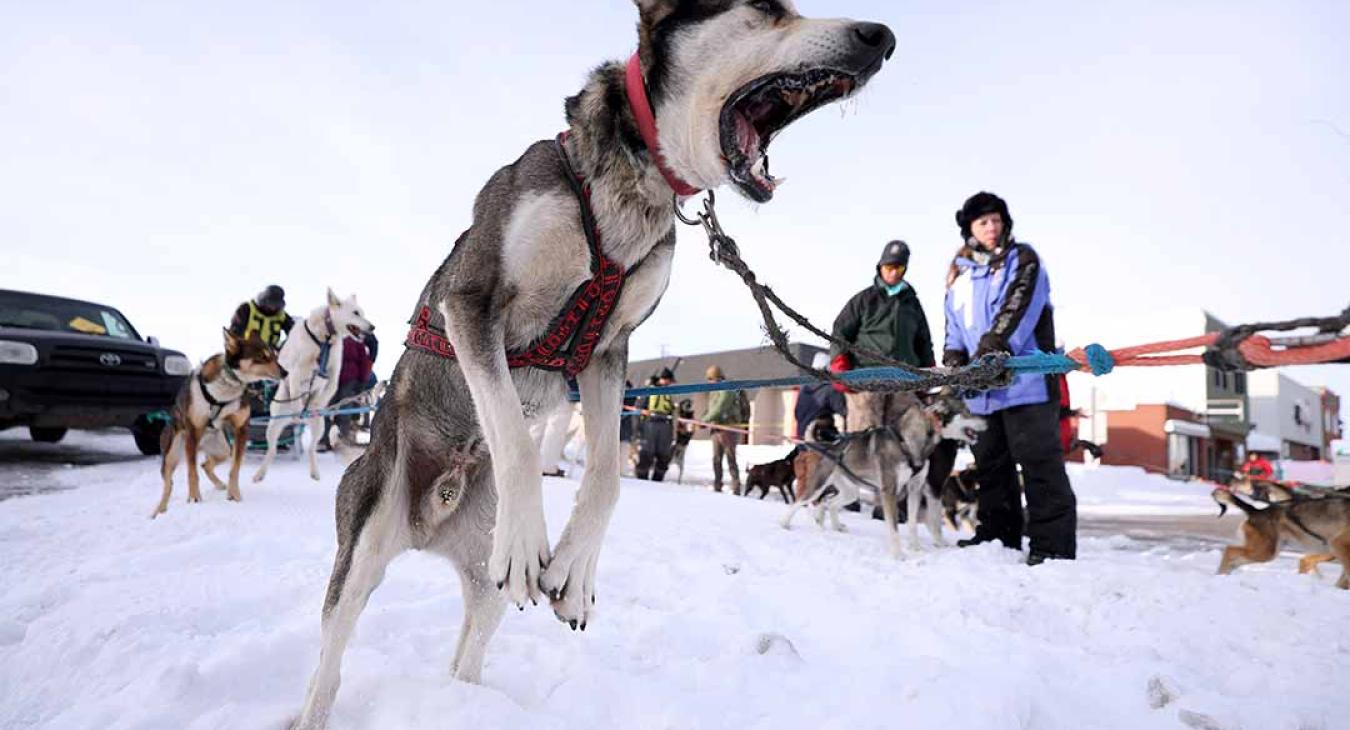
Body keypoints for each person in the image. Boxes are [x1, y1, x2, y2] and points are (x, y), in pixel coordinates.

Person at [943, 191, 1077, 565]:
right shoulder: (960, 276)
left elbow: (1019, 307)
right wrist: (954, 359)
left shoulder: (1023, 260)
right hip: (981, 391)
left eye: (997, 220)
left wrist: (993, 347)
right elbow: (954, 326)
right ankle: (998, 537)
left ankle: (1053, 547)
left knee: (1039, 464)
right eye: (983, 221)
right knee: (990, 466)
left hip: (1025, 385)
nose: (992, 227)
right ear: (969, 227)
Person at [828, 240, 936, 432]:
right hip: (867, 380)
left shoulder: (912, 304)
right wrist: (840, 364)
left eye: (899, 268)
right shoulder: (864, 300)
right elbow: (840, 331)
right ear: (880, 267)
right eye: (889, 267)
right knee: (865, 439)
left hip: (904, 381)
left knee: (903, 439)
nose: (894, 272)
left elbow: (923, 342)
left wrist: (927, 374)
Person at [319, 332, 377, 451]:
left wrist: (362, 381)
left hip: (350, 380)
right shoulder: (332, 340)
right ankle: (324, 439)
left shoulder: (356, 342)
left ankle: (343, 439)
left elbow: (363, 361)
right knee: (328, 409)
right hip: (332, 379)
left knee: (345, 411)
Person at [701, 365, 746, 494]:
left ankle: (736, 487)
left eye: (710, 379)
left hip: (728, 428)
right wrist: (703, 419)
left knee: (730, 458)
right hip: (716, 428)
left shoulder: (726, 389)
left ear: (715, 378)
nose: (709, 383)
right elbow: (711, 408)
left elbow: (720, 407)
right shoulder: (714, 390)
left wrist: (705, 420)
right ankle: (717, 485)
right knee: (716, 458)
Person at [635, 368, 676, 481]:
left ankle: (658, 479)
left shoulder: (669, 393)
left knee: (663, 455)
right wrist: (639, 426)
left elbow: (672, 410)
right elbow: (639, 408)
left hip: (665, 425)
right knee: (647, 453)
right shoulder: (650, 390)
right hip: (650, 424)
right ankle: (642, 479)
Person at [228, 285, 295, 349]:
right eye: (270, 303)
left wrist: (283, 346)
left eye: (275, 305)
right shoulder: (246, 309)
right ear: (263, 300)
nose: (272, 308)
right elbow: (235, 331)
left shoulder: (281, 316)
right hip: (247, 351)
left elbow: (294, 332)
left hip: (271, 353)